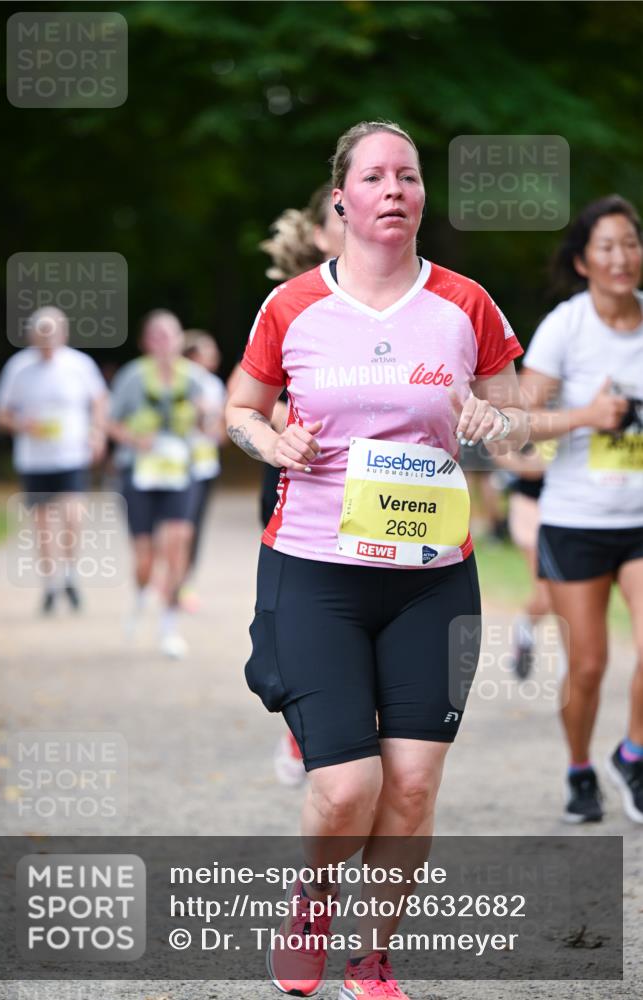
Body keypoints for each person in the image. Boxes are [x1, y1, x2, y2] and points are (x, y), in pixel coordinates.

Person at [226, 120, 528, 1000]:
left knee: (413, 786)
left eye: (408, 175)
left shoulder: (465, 304)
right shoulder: (292, 307)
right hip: (314, 571)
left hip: (432, 580)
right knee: (346, 788)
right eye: (374, 176)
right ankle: (314, 898)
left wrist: (497, 422)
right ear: (340, 200)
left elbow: (517, 416)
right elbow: (238, 408)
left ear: (421, 195)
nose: (394, 188)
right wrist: (270, 441)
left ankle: (371, 958)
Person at [521, 194, 643, 824]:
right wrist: (587, 416)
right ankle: (578, 767)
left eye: (631, 243)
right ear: (582, 261)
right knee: (589, 665)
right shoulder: (565, 327)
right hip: (577, 520)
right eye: (607, 247)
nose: (622, 257)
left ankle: (632, 753)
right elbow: (520, 422)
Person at [258, 183, 345, 787]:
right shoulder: (290, 303)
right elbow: (250, 398)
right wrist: (291, 430)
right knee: (315, 616)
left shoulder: (406, 302)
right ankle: (304, 725)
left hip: (381, 484)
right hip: (300, 472)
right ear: (319, 235)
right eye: (339, 216)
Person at [0, 306, 108, 612]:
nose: (46, 341)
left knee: (73, 515)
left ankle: (69, 572)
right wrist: (21, 424)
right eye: (41, 335)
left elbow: (99, 400)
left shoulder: (79, 364)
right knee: (43, 524)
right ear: (31, 336)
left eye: (52, 334)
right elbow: (0, 413)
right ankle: (51, 584)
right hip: (34, 459)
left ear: (63, 334)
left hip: (71, 454)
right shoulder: (18, 367)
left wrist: (97, 433)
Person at [108, 309, 205, 659]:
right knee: (145, 558)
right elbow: (110, 422)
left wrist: (206, 415)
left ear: (180, 339)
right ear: (145, 341)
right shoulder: (132, 377)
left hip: (179, 472)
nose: (164, 342)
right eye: (157, 335)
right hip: (139, 474)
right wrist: (135, 439)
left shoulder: (194, 379)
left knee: (176, 546)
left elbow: (213, 427)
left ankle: (169, 627)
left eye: (170, 334)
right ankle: (139, 598)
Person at [494, 444, 553, 678]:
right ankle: (524, 629)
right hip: (530, 509)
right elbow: (527, 468)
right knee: (546, 594)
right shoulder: (525, 425)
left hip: (573, 514)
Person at [179, 330, 227, 613]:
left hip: (206, 465)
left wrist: (215, 426)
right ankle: (171, 580)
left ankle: (186, 583)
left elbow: (221, 431)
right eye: (208, 351)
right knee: (179, 528)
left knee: (195, 528)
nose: (214, 356)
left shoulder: (214, 385)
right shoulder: (178, 381)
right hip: (179, 467)